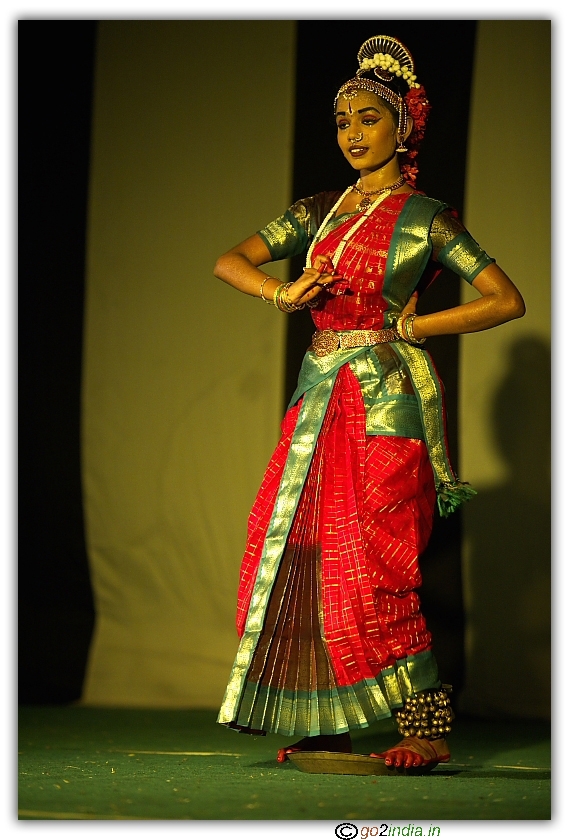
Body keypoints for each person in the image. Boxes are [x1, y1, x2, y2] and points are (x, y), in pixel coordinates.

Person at [213, 35, 525, 773]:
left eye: (368, 119)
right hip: (317, 401)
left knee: (379, 561)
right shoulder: (319, 212)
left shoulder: (424, 217)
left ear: (402, 128)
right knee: (307, 552)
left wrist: (412, 325)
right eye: (343, 121)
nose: (353, 134)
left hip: (385, 403)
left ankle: (426, 727)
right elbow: (230, 260)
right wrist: (281, 293)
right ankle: (330, 720)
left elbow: (504, 299)